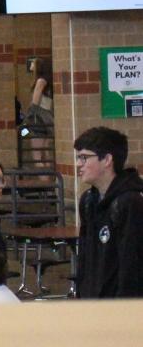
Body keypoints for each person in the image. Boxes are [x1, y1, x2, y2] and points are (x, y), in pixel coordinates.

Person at [73, 126, 143, 299]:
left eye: (84, 158)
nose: (78, 164)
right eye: (77, 157)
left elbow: (132, 266)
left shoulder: (130, 202)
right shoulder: (88, 200)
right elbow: (85, 259)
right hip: (93, 304)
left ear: (107, 160)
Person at [23, 56, 54, 134]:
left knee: (36, 135)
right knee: (46, 135)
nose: (31, 65)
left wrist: (31, 111)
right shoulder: (46, 80)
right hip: (46, 110)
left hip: (40, 111)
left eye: (32, 63)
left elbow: (36, 97)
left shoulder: (40, 81)